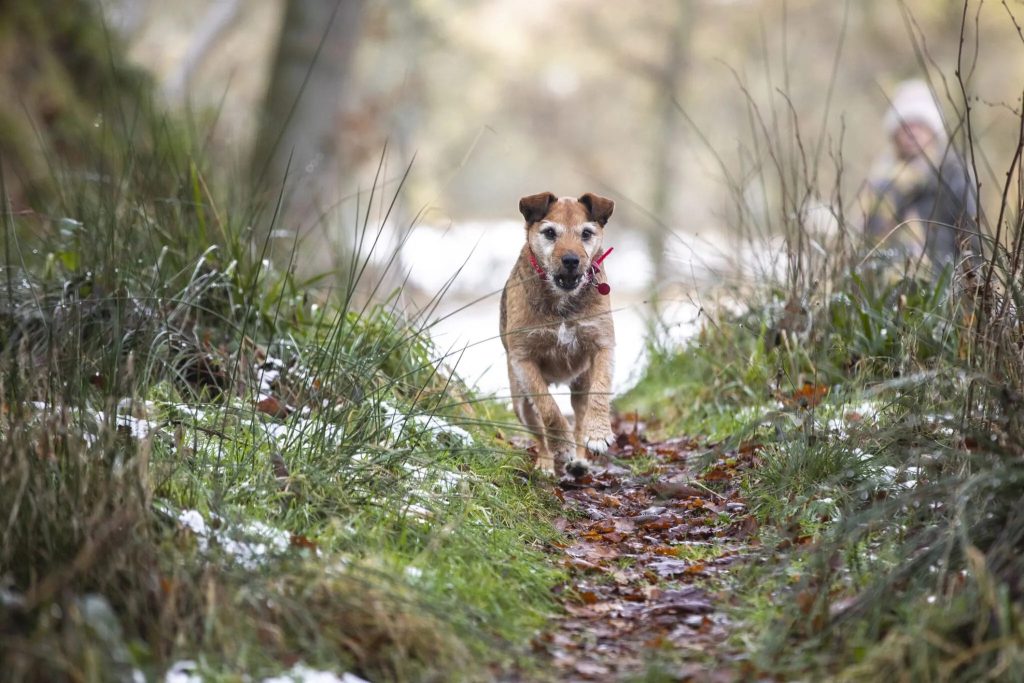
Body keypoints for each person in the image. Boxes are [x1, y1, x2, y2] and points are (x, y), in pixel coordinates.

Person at [861, 80, 981, 277]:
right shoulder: (880, 180)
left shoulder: (952, 173)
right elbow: (867, 240)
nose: (912, 132)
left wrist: (972, 287)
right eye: (905, 125)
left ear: (932, 130)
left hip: (942, 285)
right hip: (887, 290)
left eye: (919, 125)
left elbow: (971, 238)